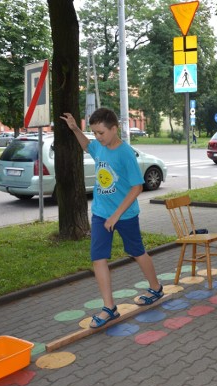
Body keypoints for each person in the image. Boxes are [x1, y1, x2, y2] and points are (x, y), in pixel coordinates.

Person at [60, 108, 163, 328]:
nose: (97, 137)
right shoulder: (99, 146)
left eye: (101, 133)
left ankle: (156, 287)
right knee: (98, 258)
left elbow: (137, 187)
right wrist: (75, 129)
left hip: (125, 215)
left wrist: (117, 215)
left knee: (137, 251)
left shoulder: (125, 153)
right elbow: (86, 145)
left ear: (114, 129)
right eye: (95, 132)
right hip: (100, 213)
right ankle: (109, 308)